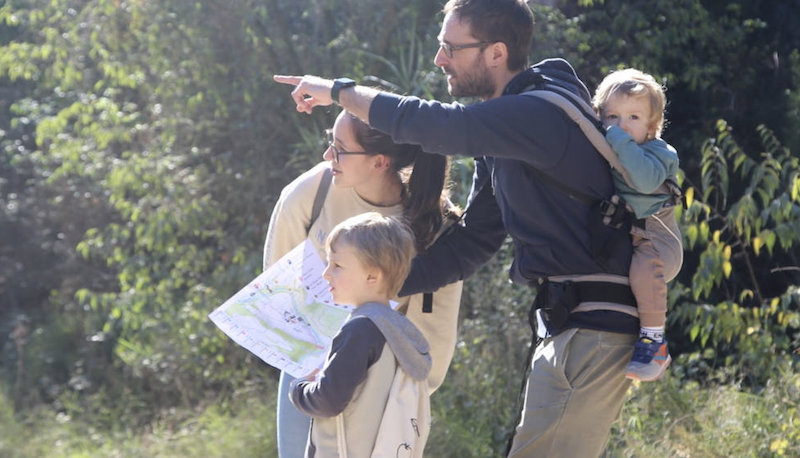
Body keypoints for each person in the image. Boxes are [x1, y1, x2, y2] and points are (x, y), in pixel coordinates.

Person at [274, 0, 646, 456]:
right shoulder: (508, 128)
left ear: (496, 53)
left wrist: (339, 91)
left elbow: (439, 125)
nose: (439, 59)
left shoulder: (536, 114)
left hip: (595, 322)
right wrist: (376, 284)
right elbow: (474, 241)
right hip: (569, 321)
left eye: (452, 47)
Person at [263, 110, 463, 458]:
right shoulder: (311, 191)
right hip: (308, 367)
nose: (328, 156)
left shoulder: (433, 219)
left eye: (339, 148)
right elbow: (276, 281)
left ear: (379, 162)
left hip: (380, 386)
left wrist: (407, 398)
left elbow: (435, 328)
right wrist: (304, 366)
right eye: (330, 142)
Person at [289, 212, 430, 458]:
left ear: (372, 276)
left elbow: (328, 400)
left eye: (337, 265)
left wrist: (298, 388)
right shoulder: (396, 329)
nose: (326, 274)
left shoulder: (359, 330)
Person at [592, 68, 683, 382]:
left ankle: (654, 342)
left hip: (657, 239)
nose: (621, 126)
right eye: (613, 116)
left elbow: (644, 181)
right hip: (629, 234)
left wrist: (615, 136)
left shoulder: (659, 152)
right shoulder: (611, 146)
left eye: (633, 118)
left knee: (644, 271)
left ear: (652, 126)